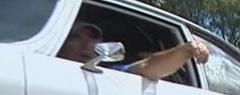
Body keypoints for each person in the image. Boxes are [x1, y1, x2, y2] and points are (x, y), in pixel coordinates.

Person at [58, 21, 209, 80]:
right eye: (75, 37)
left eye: (93, 39)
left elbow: (149, 67)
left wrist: (186, 51)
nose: (86, 45)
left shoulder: (111, 76)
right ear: (61, 42)